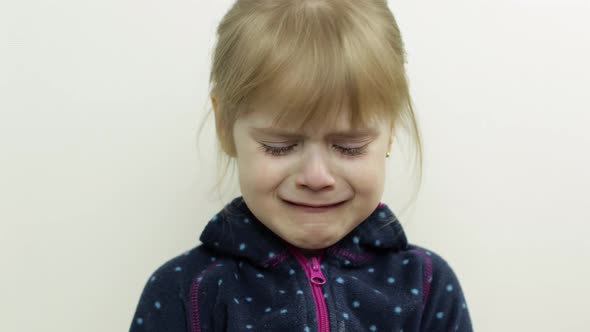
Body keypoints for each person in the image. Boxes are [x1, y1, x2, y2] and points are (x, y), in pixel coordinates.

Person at [129, 0, 473, 331]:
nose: (316, 177)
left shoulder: (427, 285)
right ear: (225, 127)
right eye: (279, 147)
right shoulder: (183, 290)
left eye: (349, 147)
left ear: (390, 132)